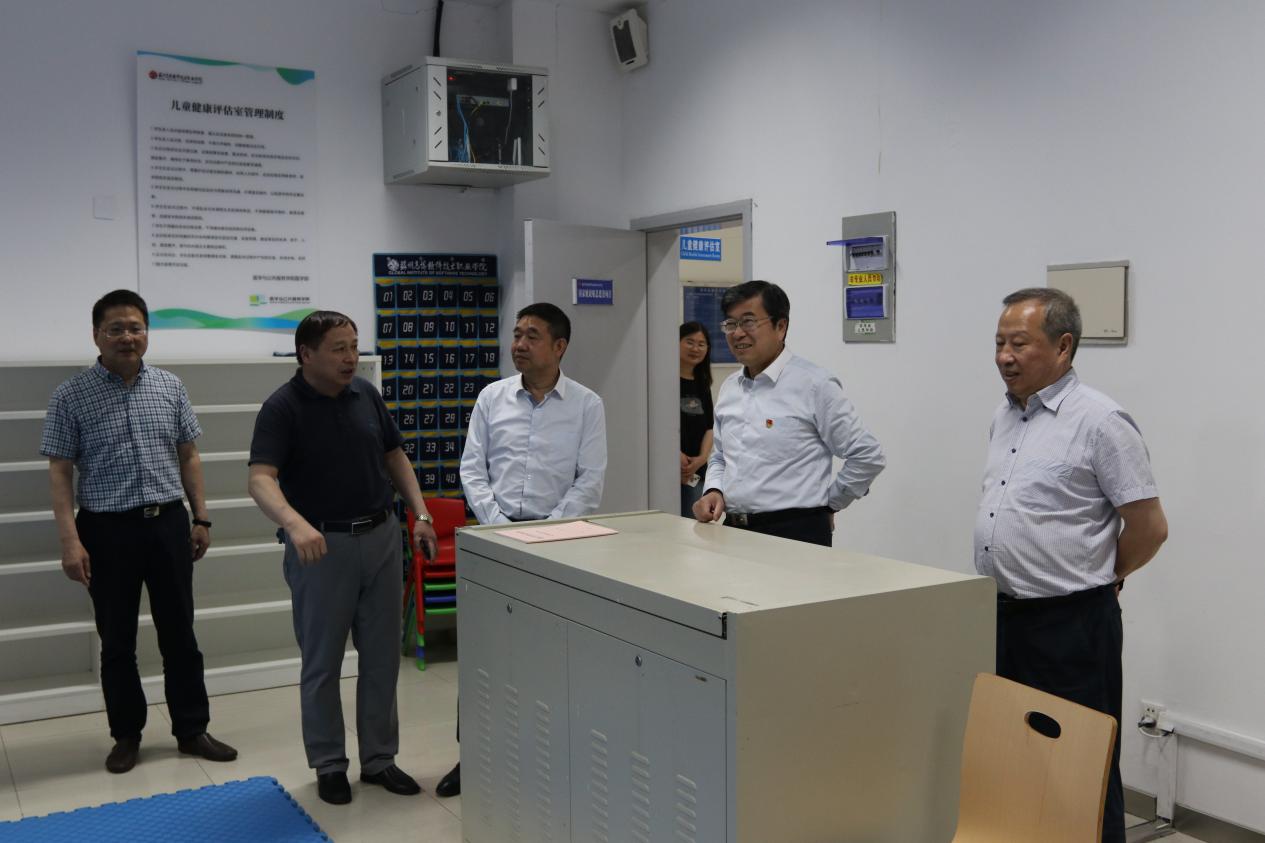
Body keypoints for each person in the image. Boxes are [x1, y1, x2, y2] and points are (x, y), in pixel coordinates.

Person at [976, 287, 1168, 843]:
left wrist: (1104, 579)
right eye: (999, 343)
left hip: (1072, 625)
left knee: (1083, 765)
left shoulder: (1101, 421)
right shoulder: (1005, 416)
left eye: (1019, 343)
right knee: (1017, 755)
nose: (1004, 356)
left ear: (1063, 347)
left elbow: (1149, 527)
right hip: (1002, 616)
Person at [40, 289, 237, 774]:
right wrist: (70, 541)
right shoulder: (70, 395)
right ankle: (126, 736)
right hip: (106, 530)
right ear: (96, 335)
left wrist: (201, 516)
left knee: (180, 633)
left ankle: (191, 729)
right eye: (116, 329)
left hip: (168, 523)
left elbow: (189, 454)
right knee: (117, 641)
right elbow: (60, 472)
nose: (127, 337)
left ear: (147, 332)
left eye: (136, 328)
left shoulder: (170, 386)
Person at [247, 310, 438, 806]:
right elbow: (261, 478)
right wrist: (294, 523)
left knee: (382, 657)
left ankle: (379, 759)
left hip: (381, 537)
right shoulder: (282, 407)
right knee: (323, 662)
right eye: (338, 348)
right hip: (321, 547)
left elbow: (394, 455)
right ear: (306, 354)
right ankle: (329, 763)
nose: (351, 357)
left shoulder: (366, 395)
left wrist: (419, 513)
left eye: (353, 346)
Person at [435, 302, 608, 798]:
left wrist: (545, 534)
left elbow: (590, 480)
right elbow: (472, 469)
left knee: (551, 654)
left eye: (532, 336)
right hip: (494, 540)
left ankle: (543, 758)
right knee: (485, 652)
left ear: (559, 346)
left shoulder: (587, 405)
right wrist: (498, 526)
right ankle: (473, 756)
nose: (519, 344)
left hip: (560, 546)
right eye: (516, 334)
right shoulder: (492, 398)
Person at [692, 280, 885, 546]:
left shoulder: (814, 384)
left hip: (796, 533)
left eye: (748, 322)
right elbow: (721, 456)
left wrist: (829, 504)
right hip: (733, 530)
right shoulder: (730, 387)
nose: (737, 333)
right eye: (730, 324)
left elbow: (867, 455)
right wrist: (714, 489)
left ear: (780, 327)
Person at [679, 321, 714, 518]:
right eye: (689, 342)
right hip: (669, 468)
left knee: (693, 526)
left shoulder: (702, 383)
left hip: (697, 471)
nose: (695, 349)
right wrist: (673, 454)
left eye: (701, 344)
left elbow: (710, 427)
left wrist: (702, 458)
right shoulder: (663, 380)